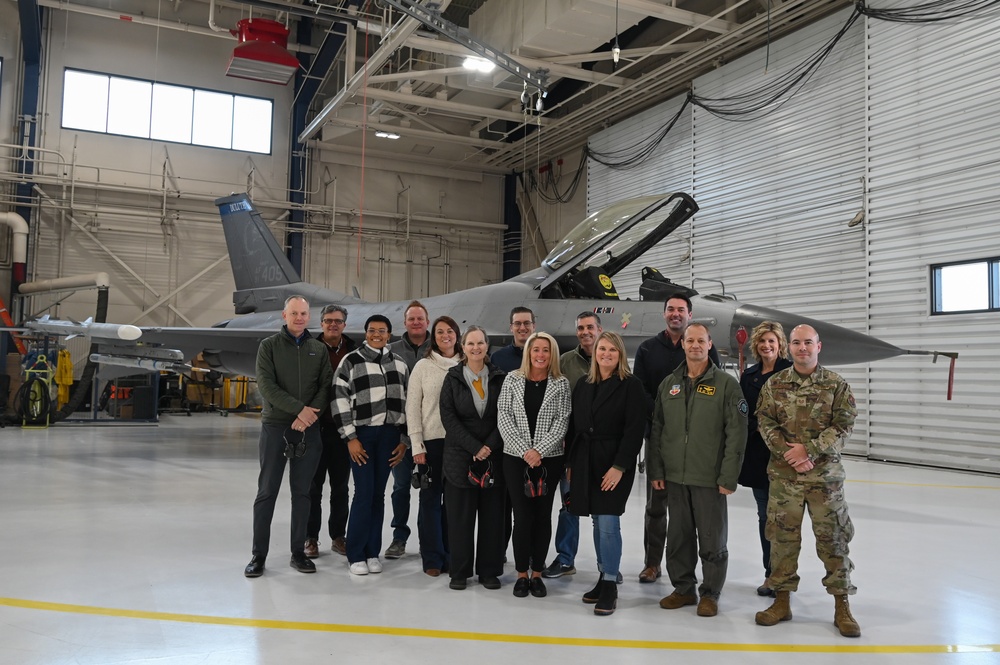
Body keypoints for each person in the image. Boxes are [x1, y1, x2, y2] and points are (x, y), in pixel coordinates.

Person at [754, 324, 861, 638]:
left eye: (808, 343)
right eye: (797, 343)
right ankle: (782, 601)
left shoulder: (835, 385)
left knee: (834, 541)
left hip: (824, 480)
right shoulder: (774, 384)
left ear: (819, 346)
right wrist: (789, 455)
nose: (802, 348)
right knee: (782, 540)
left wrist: (809, 450)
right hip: (785, 478)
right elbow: (765, 420)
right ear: (790, 347)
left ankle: (842, 605)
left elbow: (844, 425)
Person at [648, 322, 747, 618]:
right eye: (689, 340)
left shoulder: (726, 385)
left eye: (700, 341)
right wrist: (656, 471)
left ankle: (711, 593)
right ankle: (683, 589)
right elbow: (657, 431)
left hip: (709, 477)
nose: (694, 345)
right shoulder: (669, 384)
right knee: (678, 538)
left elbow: (737, 433)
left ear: (709, 343)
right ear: (683, 344)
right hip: (675, 477)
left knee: (712, 538)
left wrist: (729, 477)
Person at [634, 294, 720, 583]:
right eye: (670, 309)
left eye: (681, 310)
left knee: (693, 511)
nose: (675, 314)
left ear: (690, 315)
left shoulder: (707, 349)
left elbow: (716, 388)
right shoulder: (647, 349)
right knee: (656, 506)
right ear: (664, 314)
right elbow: (641, 393)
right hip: (660, 438)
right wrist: (663, 419)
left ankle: (691, 570)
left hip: (696, 445)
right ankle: (652, 563)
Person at [244, 296, 333, 578]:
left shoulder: (318, 350)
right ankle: (258, 555)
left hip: (309, 428)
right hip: (276, 427)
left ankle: (298, 553)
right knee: (267, 491)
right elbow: (266, 386)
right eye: (293, 313)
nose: (298, 317)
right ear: (284, 315)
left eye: (303, 313)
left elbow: (325, 386)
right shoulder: (267, 347)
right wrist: (299, 410)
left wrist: (309, 417)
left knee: (303, 493)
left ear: (309, 316)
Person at [565, 331, 646, 616]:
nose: (606, 354)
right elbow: (574, 427)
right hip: (586, 460)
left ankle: (611, 583)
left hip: (613, 462)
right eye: (602, 349)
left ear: (620, 354)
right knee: (598, 522)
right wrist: (571, 465)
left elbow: (635, 431)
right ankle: (603, 575)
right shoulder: (584, 385)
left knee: (609, 522)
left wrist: (619, 467)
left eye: (612, 350)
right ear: (595, 352)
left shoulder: (631, 386)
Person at [331, 314, 409, 576]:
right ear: (365, 333)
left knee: (378, 495)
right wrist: (350, 438)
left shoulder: (399, 364)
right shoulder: (351, 361)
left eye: (382, 330)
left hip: (389, 436)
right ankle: (355, 554)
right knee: (363, 494)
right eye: (372, 330)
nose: (377, 334)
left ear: (389, 334)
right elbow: (339, 400)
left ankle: (372, 551)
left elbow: (408, 404)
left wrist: (404, 440)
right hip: (362, 436)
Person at [497, 332, 571, 599]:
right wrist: (525, 451)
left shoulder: (560, 384)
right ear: (528, 352)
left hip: (549, 459)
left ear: (552, 355)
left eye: (546, 351)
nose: (540, 355)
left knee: (542, 516)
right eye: (535, 349)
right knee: (522, 516)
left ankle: (537, 573)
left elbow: (562, 422)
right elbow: (503, 416)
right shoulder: (512, 379)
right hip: (516, 460)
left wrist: (538, 451)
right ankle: (520, 574)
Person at [439, 326, 507, 591]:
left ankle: (489, 571)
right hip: (459, 457)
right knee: (459, 520)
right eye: (470, 343)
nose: (476, 348)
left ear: (487, 346)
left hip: (494, 456)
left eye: (480, 343)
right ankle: (459, 571)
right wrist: (474, 447)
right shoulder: (453, 377)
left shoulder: (500, 377)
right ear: (463, 348)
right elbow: (448, 417)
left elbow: (506, 415)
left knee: (492, 519)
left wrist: (488, 446)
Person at [543, 311, 602, 580]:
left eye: (590, 327)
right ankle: (566, 558)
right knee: (569, 504)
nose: (585, 332)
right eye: (581, 328)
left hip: (602, 448)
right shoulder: (565, 362)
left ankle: (607, 565)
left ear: (599, 329)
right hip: (572, 448)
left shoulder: (610, 357)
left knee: (604, 509)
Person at [738, 321, 792, 596]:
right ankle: (770, 574)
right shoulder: (748, 376)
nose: (767, 346)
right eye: (762, 341)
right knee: (764, 516)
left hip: (786, 456)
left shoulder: (791, 373)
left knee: (784, 518)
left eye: (772, 341)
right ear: (756, 345)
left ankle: (785, 574)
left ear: (779, 344)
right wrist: (756, 427)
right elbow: (742, 411)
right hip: (759, 455)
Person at [406, 316, 462, 576]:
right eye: (440, 332)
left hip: (460, 445)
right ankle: (431, 557)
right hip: (430, 443)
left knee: (453, 503)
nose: (445, 336)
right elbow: (412, 408)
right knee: (429, 501)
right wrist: (416, 444)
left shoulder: (468, 364)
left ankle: (452, 554)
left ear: (457, 334)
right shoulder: (422, 366)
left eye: (449, 331)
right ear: (433, 336)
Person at [305, 304, 357, 559]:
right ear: (322, 324)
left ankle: (338, 536)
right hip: (315, 428)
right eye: (328, 321)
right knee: (313, 487)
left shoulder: (354, 351)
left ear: (344, 325)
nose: (332, 325)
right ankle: (310, 538)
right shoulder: (309, 349)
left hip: (342, 430)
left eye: (337, 321)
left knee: (340, 487)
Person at [386, 301, 432, 560]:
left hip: (432, 431)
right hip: (401, 434)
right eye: (411, 319)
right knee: (401, 486)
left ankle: (428, 539)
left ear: (427, 321)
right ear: (405, 323)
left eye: (420, 319)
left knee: (430, 488)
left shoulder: (438, 349)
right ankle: (399, 537)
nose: (416, 322)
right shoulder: (391, 351)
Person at [491, 307, 535, 372]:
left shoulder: (544, 357)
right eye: (517, 323)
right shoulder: (497, 358)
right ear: (511, 327)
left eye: (527, 323)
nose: (522, 328)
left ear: (533, 327)